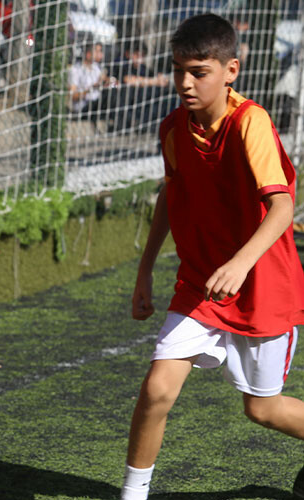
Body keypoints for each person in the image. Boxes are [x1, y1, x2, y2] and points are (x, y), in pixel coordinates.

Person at [120, 14, 304, 500]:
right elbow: (171, 193)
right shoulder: (173, 128)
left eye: (198, 72)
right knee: (157, 389)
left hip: (263, 287)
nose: (184, 82)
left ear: (230, 71)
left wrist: (241, 263)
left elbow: (283, 206)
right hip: (200, 284)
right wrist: (144, 271)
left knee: (262, 409)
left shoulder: (251, 122)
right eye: (178, 69)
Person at [68, 42, 112, 117]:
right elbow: (73, 96)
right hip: (83, 107)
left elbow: (107, 80)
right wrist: (90, 89)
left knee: (113, 93)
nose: (101, 54)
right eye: (97, 51)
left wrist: (109, 81)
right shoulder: (75, 70)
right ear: (88, 54)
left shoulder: (96, 67)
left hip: (97, 104)